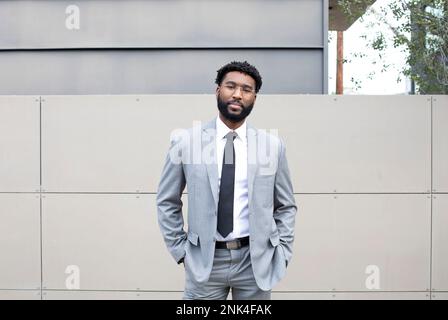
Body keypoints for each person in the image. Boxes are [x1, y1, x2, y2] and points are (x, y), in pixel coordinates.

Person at [157, 61, 297, 300]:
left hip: (255, 263)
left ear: (254, 97)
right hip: (204, 262)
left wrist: (281, 251)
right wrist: (181, 252)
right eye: (230, 86)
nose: (237, 94)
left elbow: (286, 206)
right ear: (217, 90)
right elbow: (167, 201)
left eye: (246, 89)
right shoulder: (186, 142)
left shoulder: (272, 146)